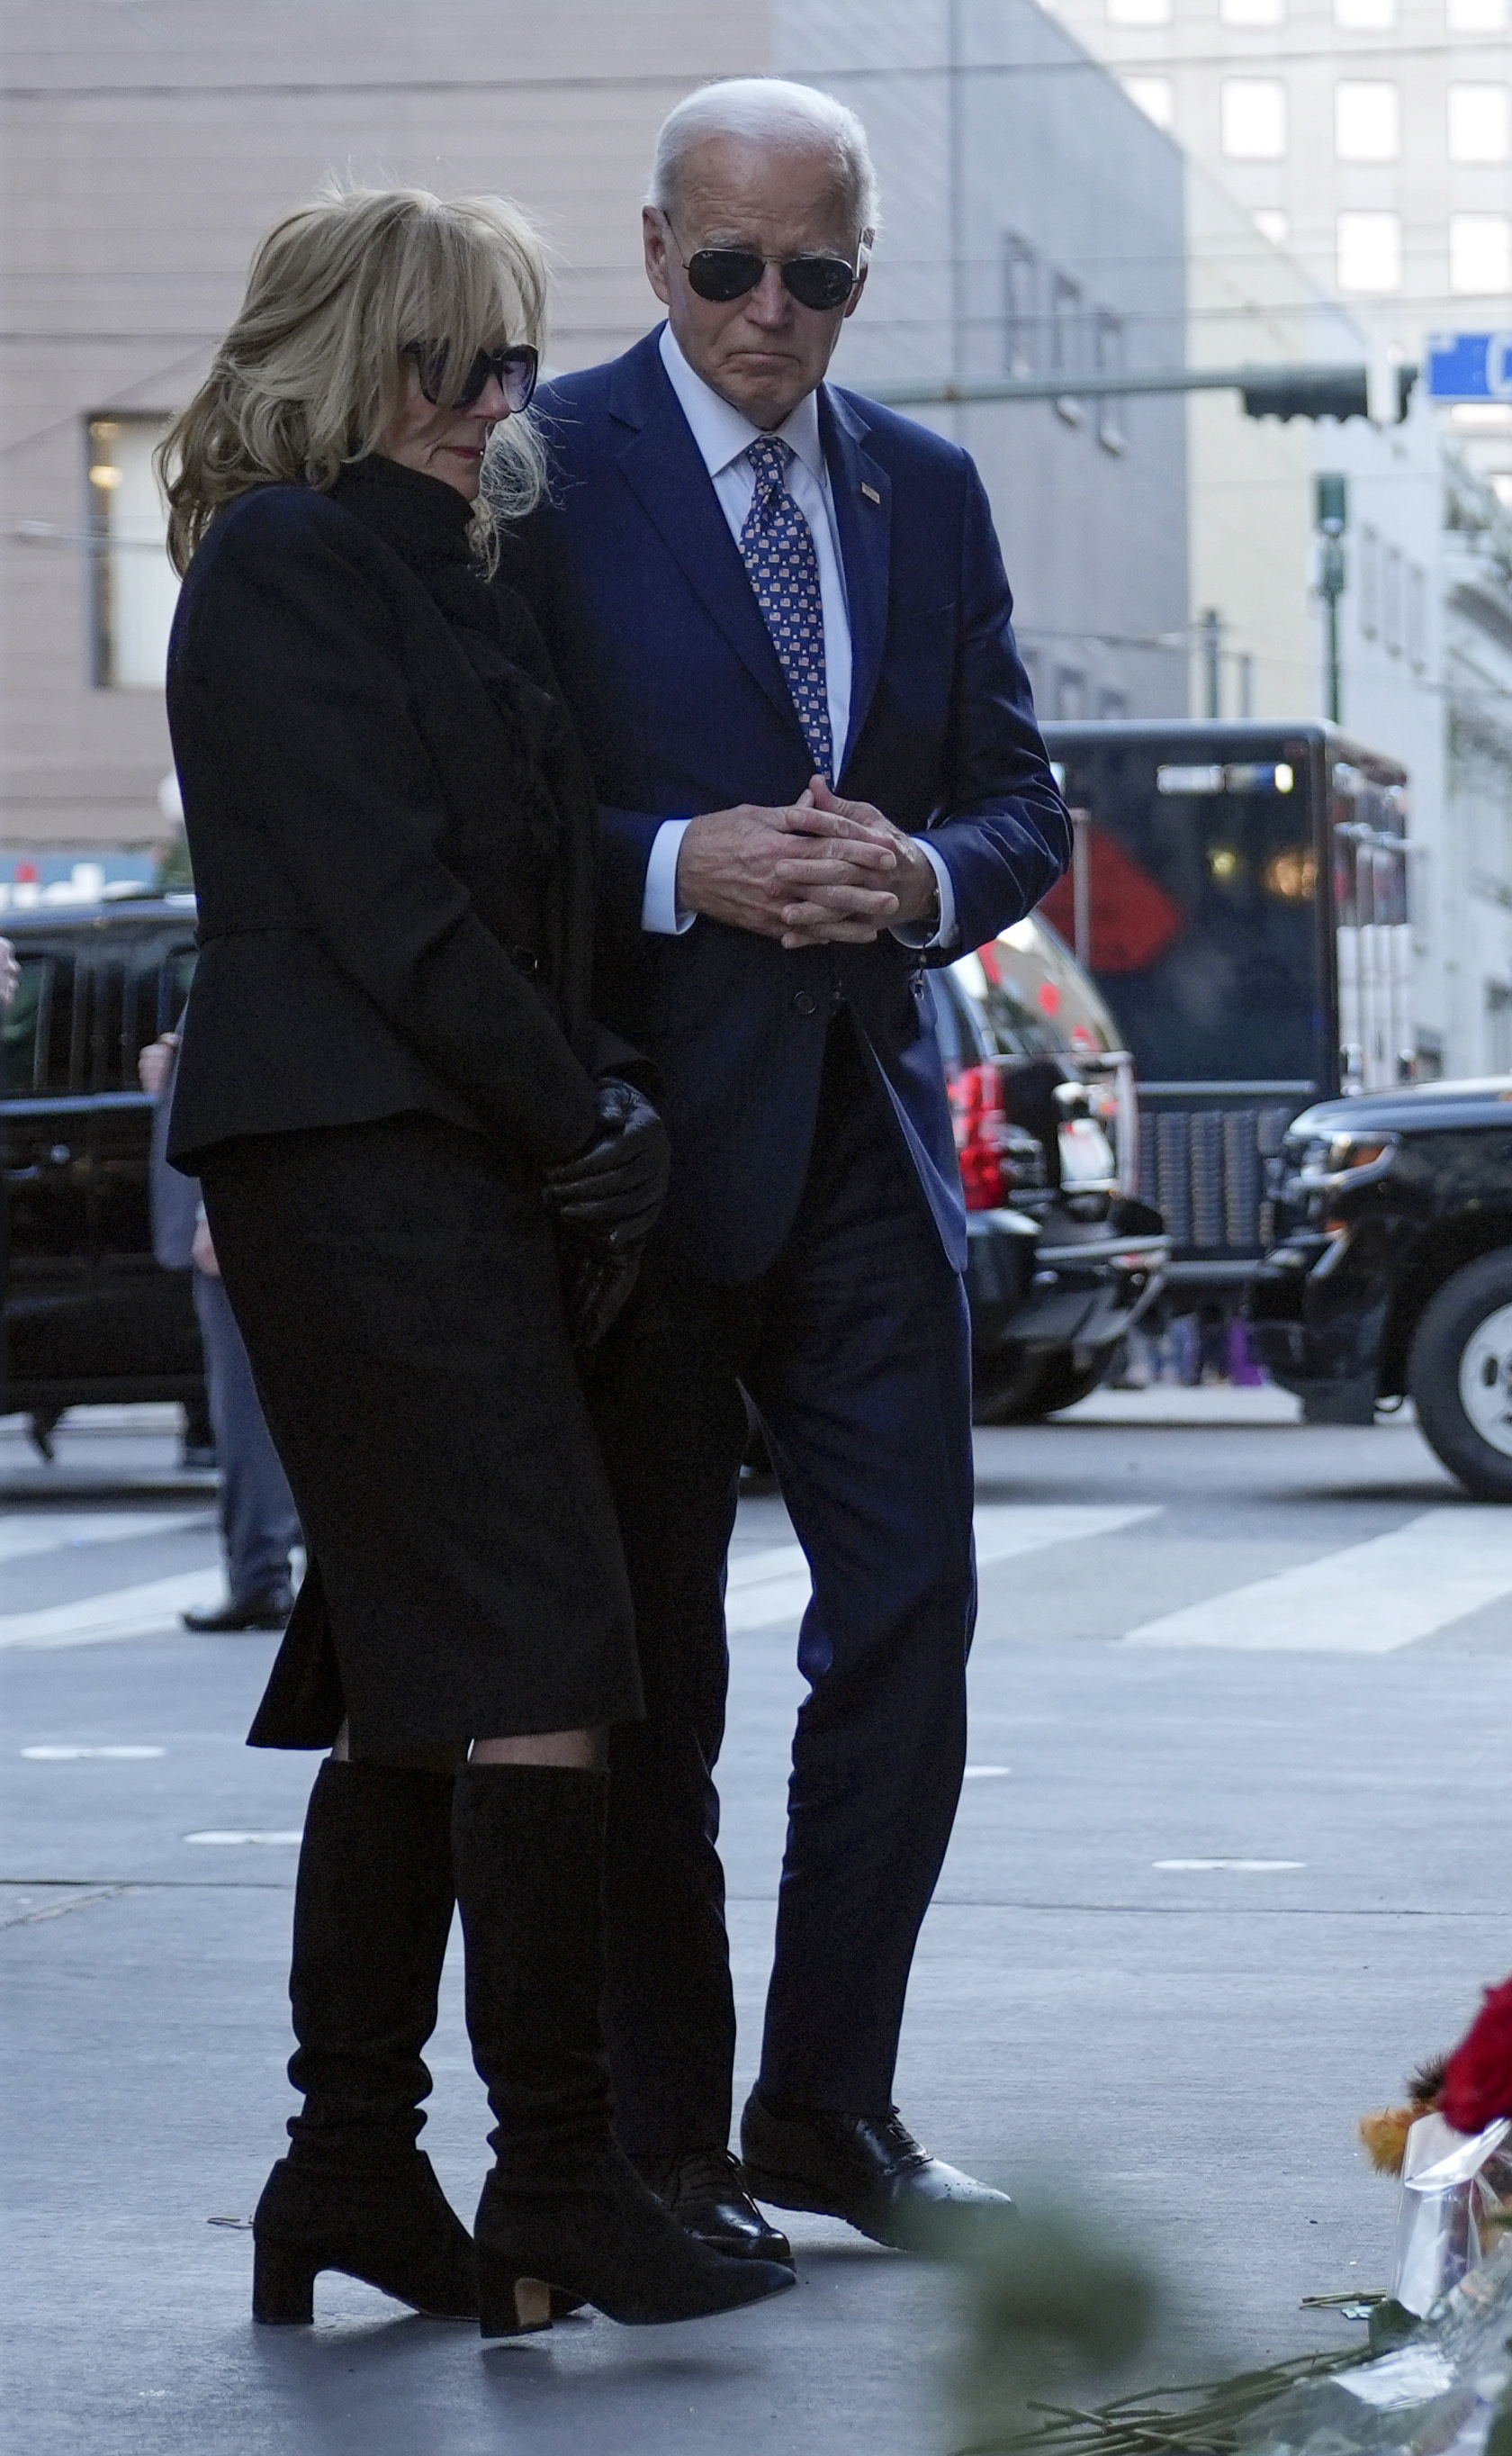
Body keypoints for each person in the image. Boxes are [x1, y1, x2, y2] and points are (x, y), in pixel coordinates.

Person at [158, 185, 795, 2336]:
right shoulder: (283, 562)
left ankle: (347, 2169)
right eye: (450, 364)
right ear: (346, 353)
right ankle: (548, 2175)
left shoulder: (460, 569)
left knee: (423, 1688)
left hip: (468, 1168)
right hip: (355, 1163)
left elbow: (535, 897)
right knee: (531, 1665)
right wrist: (583, 1114)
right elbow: (386, 907)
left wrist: (595, 1090)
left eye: (515, 363)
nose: (491, 405)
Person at [525, 79, 1066, 2258]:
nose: (771, 311)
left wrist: (921, 878)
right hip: (643, 1159)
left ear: (861, 269)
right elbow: (474, 813)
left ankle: (827, 2107)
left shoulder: (923, 492)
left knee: (912, 1627)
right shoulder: (544, 474)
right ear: (655, 255)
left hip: (864, 1136)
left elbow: (1028, 799)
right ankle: (664, 2137)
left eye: (816, 272)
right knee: (659, 1666)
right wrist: (681, 864)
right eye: (729, 266)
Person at [140, 1027, 303, 1629]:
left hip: (240, 1207)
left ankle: (259, 1574)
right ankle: (263, 1572)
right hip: (255, 1206)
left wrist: (216, 1207)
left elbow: (246, 1062)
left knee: (246, 1408)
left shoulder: (241, 938)